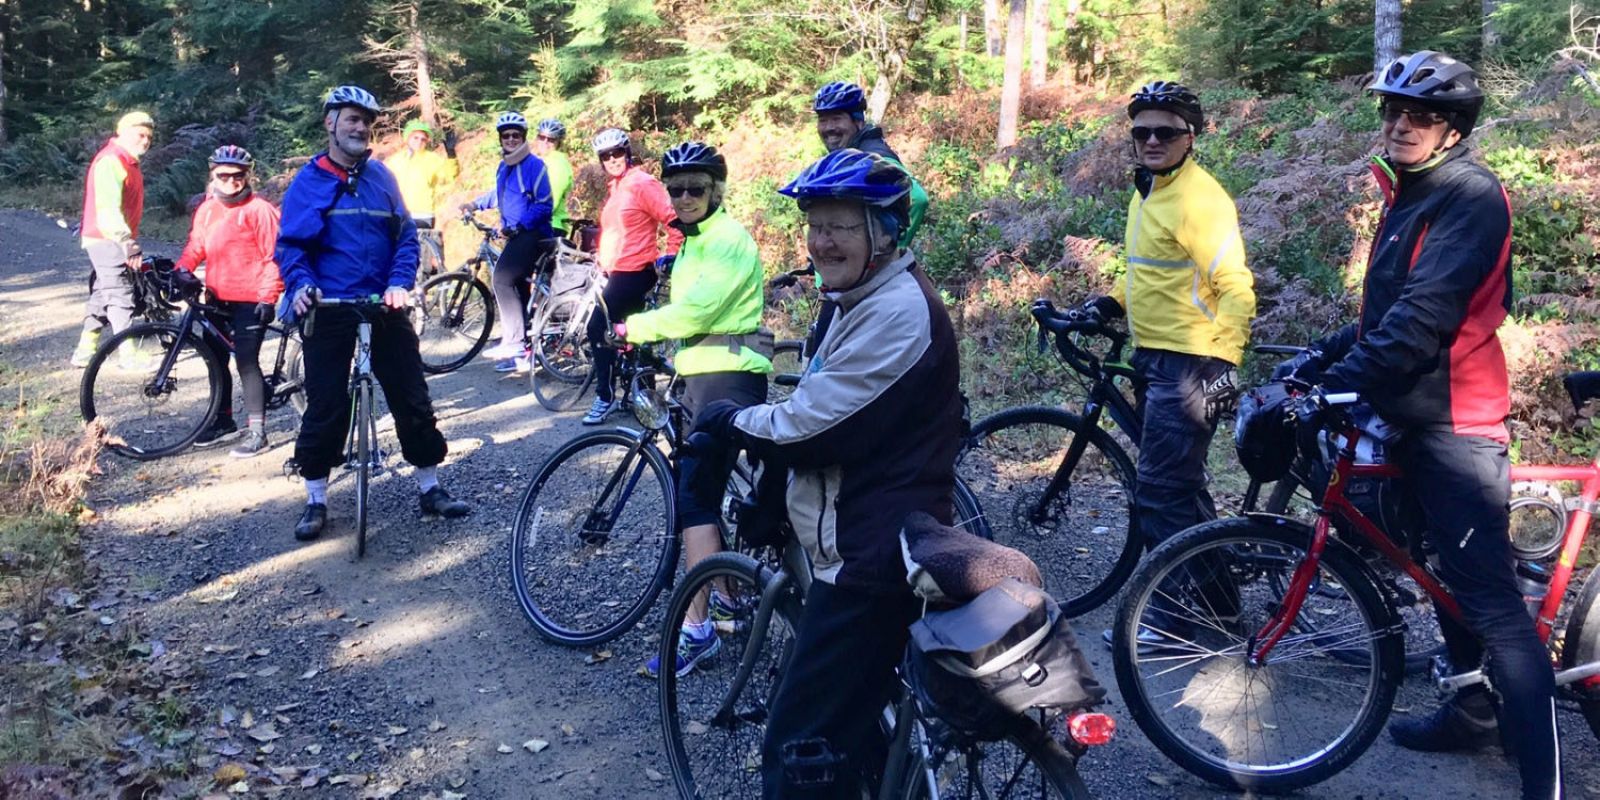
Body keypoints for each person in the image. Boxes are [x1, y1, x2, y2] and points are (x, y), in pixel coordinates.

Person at [1280, 51, 1559, 800]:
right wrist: (1317, 359)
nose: (1402, 124)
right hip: (1409, 413)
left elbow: (1422, 321)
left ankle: (1548, 786)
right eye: (1394, 112)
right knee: (1440, 579)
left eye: (1422, 115)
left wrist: (1337, 385)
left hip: (1455, 425)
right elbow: (1384, 313)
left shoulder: (1468, 197)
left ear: (1453, 128)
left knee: (1497, 612)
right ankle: (1472, 711)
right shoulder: (1413, 190)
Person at [688, 148, 963, 797]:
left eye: (840, 225)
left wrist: (729, 422)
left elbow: (815, 427)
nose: (821, 241)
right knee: (844, 730)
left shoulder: (897, 310)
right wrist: (774, 496)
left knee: (796, 747)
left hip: (870, 559)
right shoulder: (853, 298)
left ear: (885, 232)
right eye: (814, 225)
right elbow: (824, 406)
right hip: (858, 534)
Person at [1078, 81, 1256, 647]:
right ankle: (1220, 610)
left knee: (1160, 493)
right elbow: (1152, 272)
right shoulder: (1150, 190)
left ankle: (1187, 623)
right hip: (1156, 356)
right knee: (1180, 490)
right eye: (1141, 131)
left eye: (1166, 131)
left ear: (1190, 136)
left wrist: (1224, 363)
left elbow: (1236, 288)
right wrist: (1112, 302)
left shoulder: (1200, 200)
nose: (1152, 140)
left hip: (1191, 362)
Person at [277, 85, 470, 541]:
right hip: (330, 305)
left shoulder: (383, 177)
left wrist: (399, 283)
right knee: (326, 404)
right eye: (351, 118)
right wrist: (301, 285)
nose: (360, 127)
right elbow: (292, 247)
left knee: (411, 394)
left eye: (366, 120)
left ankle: (430, 486)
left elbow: (405, 237)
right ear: (330, 123)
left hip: (383, 304)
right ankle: (316, 497)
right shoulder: (310, 181)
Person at [614, 142, 772, 678]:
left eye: (694, 188)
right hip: (703, 373)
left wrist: (632, 326)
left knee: (695, 501)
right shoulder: (694, 240)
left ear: (716, 191)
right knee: (701, 485)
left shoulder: (726, 239)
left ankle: (697, 631)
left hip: (724, 378)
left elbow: (699, 310)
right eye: (674, 189)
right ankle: (726, 596)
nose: (683, 198)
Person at [173, 145, 284, 457]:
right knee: (214, 357)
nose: (232, 181)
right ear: (213, 175)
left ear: (248, 175)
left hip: (251, 299)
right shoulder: (207, 209)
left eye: (239, 175)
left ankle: (258, 432)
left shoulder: (260, 210)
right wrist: (183, 270)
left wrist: (268, 296)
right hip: (217, 297)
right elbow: (197, 244)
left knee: (246, 363)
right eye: (224, 175)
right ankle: (223, 422)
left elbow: (275, 257)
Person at [583, 127, 682, 425]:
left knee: (597, 327)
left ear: (627, 152)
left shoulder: (641, 183)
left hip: (636, 272)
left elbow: (674, 219)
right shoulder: (618, 187)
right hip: (618, 271)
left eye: (617, 153)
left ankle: (604, 396)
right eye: (606, 156)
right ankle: (643, 396)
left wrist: (673, 253)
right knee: (632, 335)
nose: (612, 159)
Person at [464, 111, 555, 373]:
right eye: (507, 135)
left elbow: (544, 205)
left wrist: (518, 226)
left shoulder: (534, 166)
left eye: (516, 135)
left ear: (524, 137)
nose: (511, 139)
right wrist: (474, 204)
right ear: (501, 139)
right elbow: (499, 194)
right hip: (515, 234)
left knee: (502, 279)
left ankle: (514, 341)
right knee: (519, 288)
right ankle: (525, 353)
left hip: (533, 234)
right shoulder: (504, 166)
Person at [71, 111, 155, 368]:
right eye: (140, 135)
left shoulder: (127, 161)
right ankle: (127, 354)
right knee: (120, 292)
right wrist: (126, 242)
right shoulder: (111, 161)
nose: (145, 141)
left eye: (149, 137)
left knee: (102, 292)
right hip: (107, 237)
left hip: (109, 237)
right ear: (124, 131)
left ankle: (85, 350)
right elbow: (107, 208)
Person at [811, 81, 928, 246]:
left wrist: (888, 251)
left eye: (837, 119)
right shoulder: (849, 153)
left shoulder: (872, 156)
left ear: (858, 122)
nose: (829, 127)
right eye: (823, 120)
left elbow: (917, 199)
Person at [384, 118, 458, 275]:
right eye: (415, 137)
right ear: (407, 138)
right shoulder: (395, 161)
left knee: (423, 255)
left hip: (423, 214)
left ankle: (424, 287)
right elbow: (384, 185)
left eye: (423, 139)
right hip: (399, 214)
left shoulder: (432, 160)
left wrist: (451, 154)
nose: (419, 141)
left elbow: (450, 176)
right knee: (400, 253)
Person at [532, 119, 574, 238]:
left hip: (550, 226)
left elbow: (551, 200)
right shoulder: (541, 161)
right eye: (542, 137)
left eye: (551, 139)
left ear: (559, 142)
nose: (545, 142)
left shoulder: (558, 164)